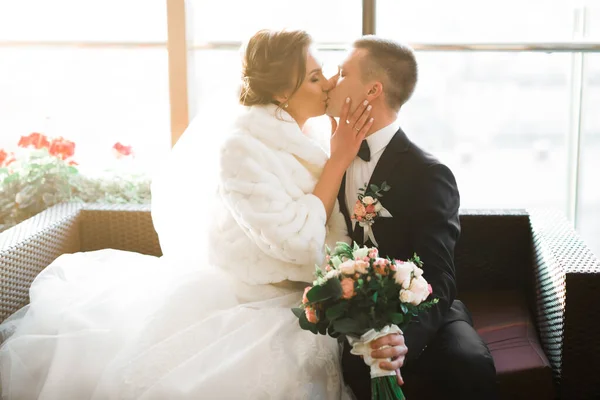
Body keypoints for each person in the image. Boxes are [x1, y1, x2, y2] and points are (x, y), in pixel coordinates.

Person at [0, 29, 406, 399]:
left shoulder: (314, 133)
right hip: (259, 297)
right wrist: (337, 163)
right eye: (316, 77)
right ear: (284, 91)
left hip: (306, 291)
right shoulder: (242, 146)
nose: (329, 83)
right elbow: (291, 239)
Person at [326, 35, 499, 399]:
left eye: (342, 73)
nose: (331, 81)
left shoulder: (429, 173)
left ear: (372, 90)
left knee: (470, 364)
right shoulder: (328, 159)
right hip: (355, 312)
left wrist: (403, 336)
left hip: (425, 314)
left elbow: (440, 275)